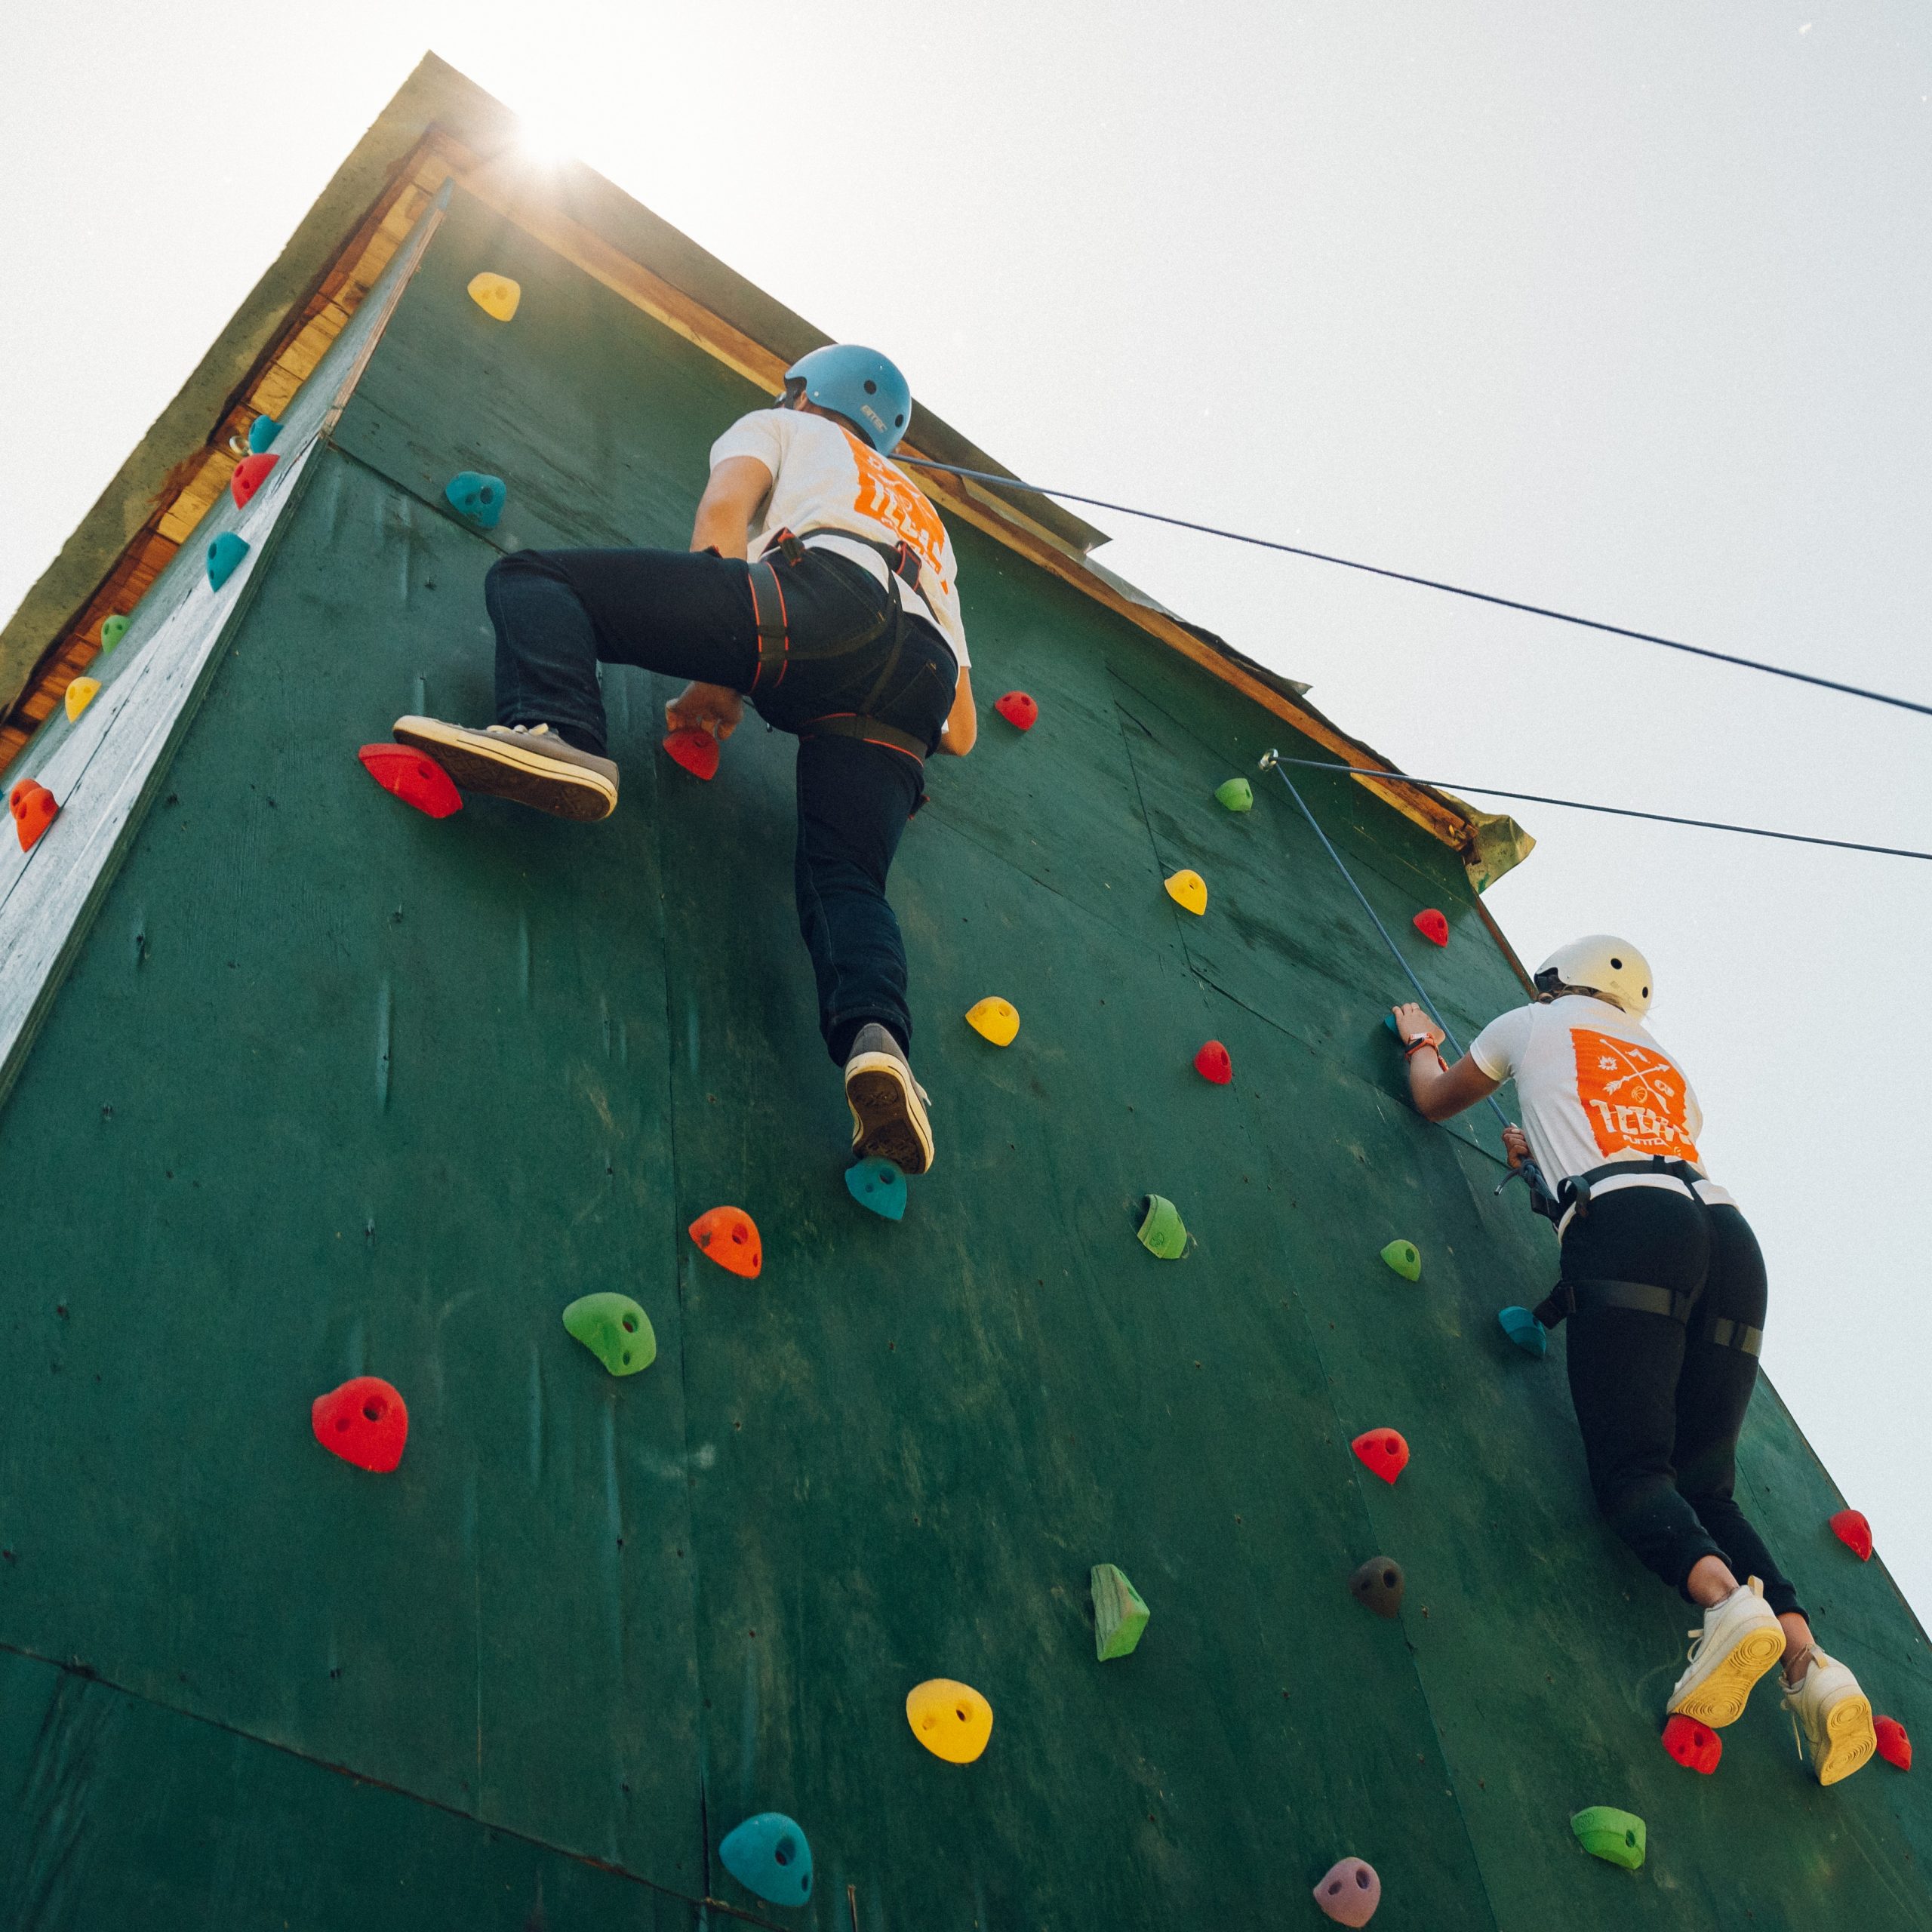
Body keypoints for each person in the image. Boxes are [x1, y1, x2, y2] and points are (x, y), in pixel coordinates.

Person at [390, 345, 975, 1177]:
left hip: (822, 600)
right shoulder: (933, 528)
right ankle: (878, 1046)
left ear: (804, 393)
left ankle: (559, 733)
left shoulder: (779, 425)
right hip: (916, 687)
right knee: (846, 879)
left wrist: (724, 671)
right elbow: (961, 732)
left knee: (535, 579)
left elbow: (721, 525)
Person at [1391, 935, 1876, 1786]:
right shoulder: (1670, 1070)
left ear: (1552, 981)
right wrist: (1540, 1158)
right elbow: (1631, 1148)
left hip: (1632, 1220)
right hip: (1729, 1238)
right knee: (1706, 1479)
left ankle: (1725, 1604)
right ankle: (1812, 1668)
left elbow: (1435, 1101)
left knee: (1631, 1471)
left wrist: (1419, 1044)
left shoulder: (1529, 1023)